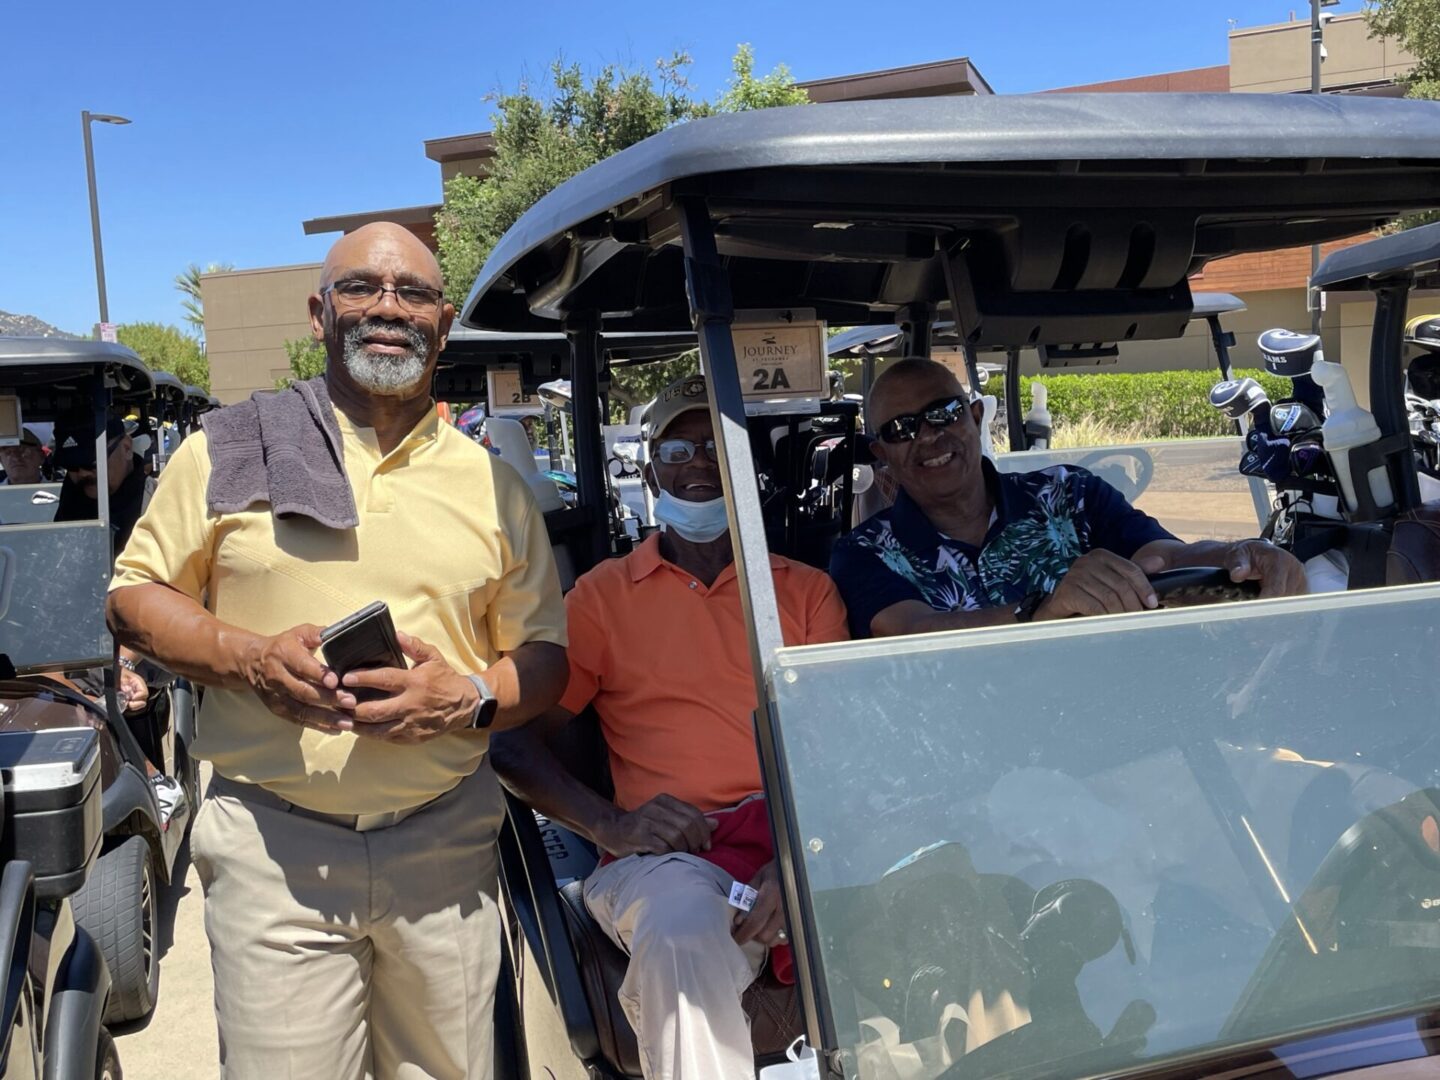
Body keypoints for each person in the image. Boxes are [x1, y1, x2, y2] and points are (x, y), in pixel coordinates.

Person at [107, 222, 570, 1080]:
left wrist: (465, 697)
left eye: (413, 293)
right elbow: (134, 600)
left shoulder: (494, 485)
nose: (387, 308)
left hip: (446, 849)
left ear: (444, 319)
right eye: (361, 288)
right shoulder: (227, 451)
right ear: (320, 313)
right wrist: (247, 658)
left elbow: (543, 657)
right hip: (276, 853)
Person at [491, 375, 849, 1080]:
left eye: (716, 446)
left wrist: (799, 859)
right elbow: (512, 741)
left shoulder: (804, 592)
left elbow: (835, 750)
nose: (697, 464)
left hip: (798, 831)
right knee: (683, 926)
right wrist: (608, 825)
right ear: (651, 470)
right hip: (674, 857)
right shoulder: (602, 597)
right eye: (677, 448)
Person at [831, 358, 1307, 638]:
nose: (929, 436)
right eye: (902, 428)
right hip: (968, 768)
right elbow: (912, 632)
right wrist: (1038, 611)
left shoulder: (1070, 493)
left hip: (1113, 732)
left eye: (944, 413)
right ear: (882, 455)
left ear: (974, 417)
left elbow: (1162, 557)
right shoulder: (863, 553)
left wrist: (1235, 554)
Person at [53, 412, 153, 551]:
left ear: (127, 448)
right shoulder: (72, 496)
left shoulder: (155, 502)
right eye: (71, 466)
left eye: (92, 464)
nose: (82, 473)